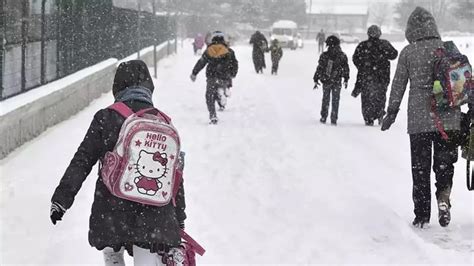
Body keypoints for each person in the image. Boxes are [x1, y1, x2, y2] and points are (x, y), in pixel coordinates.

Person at [50, 60, 187, 265]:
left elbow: (83, 159)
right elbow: (174, 176)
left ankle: (113, 257)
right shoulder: (163, 122)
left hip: (111, 209)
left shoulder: (106, 117)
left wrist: (61, 199)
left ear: (117, 86)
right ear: (149, 87)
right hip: (154, 214)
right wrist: (179, 216)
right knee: (147, 255)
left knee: (112, 250)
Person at [381, 7, 461, 228]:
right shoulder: (447, 49)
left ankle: (422, 215)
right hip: (449, 119)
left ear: (410, 29)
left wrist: (391, 112)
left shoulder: (408, 52)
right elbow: (462, 83)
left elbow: (398, 85)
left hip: (419, 120)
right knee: (444, 164)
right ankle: (443, 199)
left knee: (420, 168)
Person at [352, 25, 398, 126]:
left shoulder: (362, 45)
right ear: (379, 33)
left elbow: (355, 58)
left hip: (366, 77)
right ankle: (380, 113)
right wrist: (383, 55)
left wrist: (363, 67)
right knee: (380, 96)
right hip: (382, 77)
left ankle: (368, 118)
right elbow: (394, 55)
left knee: (366, 98)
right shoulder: (384, 44)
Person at [190, 31, 239, 124]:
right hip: (224, 76)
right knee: (221, 88)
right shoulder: (229, 51)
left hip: (212, 76)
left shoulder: (209, 50)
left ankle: (213, 115)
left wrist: (194, 73)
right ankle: (223, 94)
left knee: (209, 95)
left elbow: (201, 62)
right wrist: (233, 74)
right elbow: (235, 64)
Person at [313, 35, 350, 125]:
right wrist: (346, 78)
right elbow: (346, 68)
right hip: (337, 80)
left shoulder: (325, 55)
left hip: (326, 80)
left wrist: (316, 78)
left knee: (326, 98)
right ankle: (334, 118)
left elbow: (320, 68)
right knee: (335, 99)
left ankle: (323, 116)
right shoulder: (342, 55)